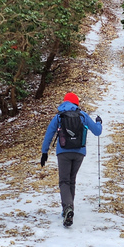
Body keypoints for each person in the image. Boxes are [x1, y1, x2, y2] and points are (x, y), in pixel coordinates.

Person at [40, 92, 102, 227]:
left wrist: (44, 152)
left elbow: (49, 135)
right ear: (76, 103)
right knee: (71, 180)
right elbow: (97, 132)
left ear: (65, 102)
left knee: (64, 181)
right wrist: (99, 122)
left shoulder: (59, 116)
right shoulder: (83, 115)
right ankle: (69, 209)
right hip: (79, 152)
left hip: (63, 152)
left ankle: (68, 208)